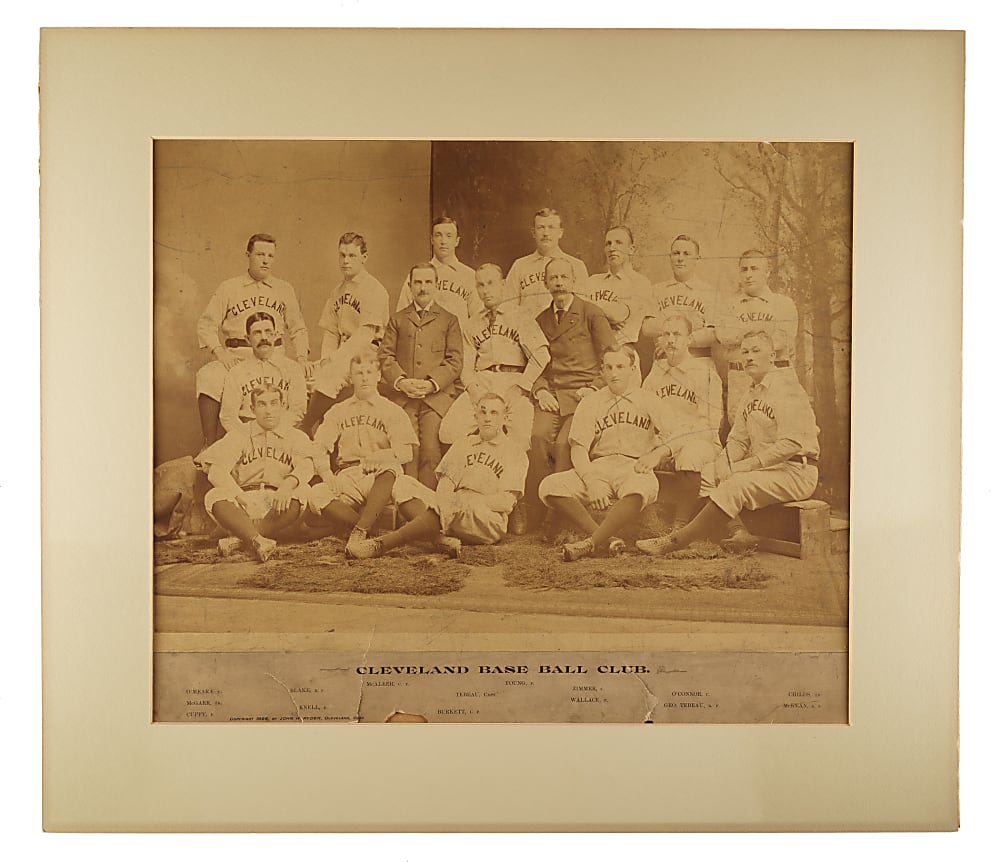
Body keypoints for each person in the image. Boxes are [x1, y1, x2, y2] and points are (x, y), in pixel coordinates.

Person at [636, 330, 819, 556]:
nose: (749, 357)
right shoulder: (750, 394)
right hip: (768, 471)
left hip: (796, 471)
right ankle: (740, 532)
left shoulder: (787, 388)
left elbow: (791, 443)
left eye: (756, 351)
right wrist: (724, 462)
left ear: (772, 356)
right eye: (745, 352)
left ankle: (673, 542)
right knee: (708, 474)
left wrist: (743, 466)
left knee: (736, 484)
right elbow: (738, 440)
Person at [345, 393, 529, 559]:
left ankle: (382, 545)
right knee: (404, 484)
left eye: (494, 413)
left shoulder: (515, 452)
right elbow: (445, 486)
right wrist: (450, 501)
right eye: (483, 412)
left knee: (452, 503)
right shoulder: (464, 444)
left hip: (487, 520)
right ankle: (440, 540)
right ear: (476, 417)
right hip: (451, 509)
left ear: (505, 418)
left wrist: (463, 501)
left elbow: (505, 503)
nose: (488, 418)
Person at [539, 345, 674, 562]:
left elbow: (676, 435)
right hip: (599, 466)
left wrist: (656, 455)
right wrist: (591, 481)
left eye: (620, 366)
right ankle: (607, 538)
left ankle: (590, 543)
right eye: (609, 367)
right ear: (601, 370)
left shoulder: (648, 399)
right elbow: (579, 448)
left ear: (632, 369)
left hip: (633, 466)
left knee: (641, 489)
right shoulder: (591, 401)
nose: (614, 373)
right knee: (550, 485)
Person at [307, 347, 435, 559]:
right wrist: (327, 474)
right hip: (348, 475)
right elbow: (319, 446)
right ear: (351, 378)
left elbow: (406, 452)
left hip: (379, 478)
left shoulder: (391, 410)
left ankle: (359, 532)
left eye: (369, 372)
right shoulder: (339, 410)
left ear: (378, 376)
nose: (364, 378)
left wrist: (382, 456)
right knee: (316, 493)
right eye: (359, 373)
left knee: (393, 471)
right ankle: (374, 532)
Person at [195, 233, 309, 447]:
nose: (265, 261)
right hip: (237, 357)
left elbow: (298, 328)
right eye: (260, 255)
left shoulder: (284, 289)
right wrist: (221, 353)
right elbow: (206, 324)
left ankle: (290, 445)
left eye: (270, 256)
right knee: (208, 376)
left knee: (306, 381)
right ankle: (209, 444)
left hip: (274, 357)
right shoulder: (229, 288)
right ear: (248, 255)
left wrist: (302, 358)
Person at [524, 258, 616, 522]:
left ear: (574, 281)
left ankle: (559, 515)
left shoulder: (591, 313)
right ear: (545, 283)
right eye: (553, 278)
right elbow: (535, 364)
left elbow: (611, 357)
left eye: (564, 277)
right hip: (552, 394)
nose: (559, 283)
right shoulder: (540, 320)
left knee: (565, 445)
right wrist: (540, 390)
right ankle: (537, 509)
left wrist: (595, 387)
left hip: (583, 394)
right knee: (538, 438)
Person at [438, 263, 550, 452]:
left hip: (513, 381)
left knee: (520, 440)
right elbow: (466, 365)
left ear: (503, 284)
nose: (485, 290)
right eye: (480, 285)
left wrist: (523, 386)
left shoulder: (520, 315)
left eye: (490, 283)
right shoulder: (472, 323)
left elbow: (541, 355)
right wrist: (473, 388)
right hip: (482, 382)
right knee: (449, 432)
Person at [200, 382, 315, 562]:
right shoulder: (239, 434)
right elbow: (216, 471)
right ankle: (258, 539)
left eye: (273, 403)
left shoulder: (295, 436)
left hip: (278, 503)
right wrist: (243, 500)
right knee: (214, 495)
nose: (268, 410)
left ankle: (243, 539)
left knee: (303, 491)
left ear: (283, 406)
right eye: (262, 404)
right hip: (243, 504)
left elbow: (307, 466)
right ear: (252, 409)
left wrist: (287, 485)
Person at [378, 262, 464, 489]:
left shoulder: (449, 320)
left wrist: (431, 384)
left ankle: (427, 502)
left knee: (430, 450)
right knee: (408, 449)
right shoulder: (398, 319)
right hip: (404, 398)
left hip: (435, 399)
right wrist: (401, 382)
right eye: (418, 282)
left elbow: (455, 361)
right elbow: (385, 356)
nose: (423, 288)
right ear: (410, 286)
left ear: (436, 285)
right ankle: (406, 498)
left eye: (428, 282)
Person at [641, 313, 723, 530]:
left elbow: (708, 426)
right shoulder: (655, 376)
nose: (670, 340)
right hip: (664, 444)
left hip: (701, 442)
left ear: (689, 339)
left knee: (690, 455)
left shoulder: (704, 373)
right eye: (666, 334)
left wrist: (668, 448)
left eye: (677, 334)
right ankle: (645, 521)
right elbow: (644, 417)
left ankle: (679, 527)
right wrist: (655, 444)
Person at [301, 232, 390, 433]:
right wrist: (326, 359)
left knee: (328, 377)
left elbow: (365, 336)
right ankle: (318, 434)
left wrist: (333, 361)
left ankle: (305, 427)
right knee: (309, 376)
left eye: (352, 256)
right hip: (343, 352)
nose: (346, 261)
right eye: (342, 255)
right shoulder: (337, 291)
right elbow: (331, 332)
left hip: (368, 353)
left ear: (364, 257)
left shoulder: (374, 289)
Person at [715, 249, 799, 422]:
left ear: (767, 272)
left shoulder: (783, 304)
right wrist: (763, 331)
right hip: (740, 378)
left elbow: (781, 341)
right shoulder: (728, 306)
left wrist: (742, 335)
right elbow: (724, 336)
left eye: (754, 269)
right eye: (744, 269)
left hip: (776, 376)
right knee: (741, 428)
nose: (748, 275)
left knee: (780, 426)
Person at [640, 234, 719, 379]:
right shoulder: (657, 290)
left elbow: (713, 334)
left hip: (698, 363)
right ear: (670, 257)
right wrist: (690, 326)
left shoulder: (709, 292)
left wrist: (674, 340)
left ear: (697, 259)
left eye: (686, 254)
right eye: (676, 253)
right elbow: (647, 327)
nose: (680, 258)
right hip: (664, 364)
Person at [218, 311, 308, 433]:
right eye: (257, 333)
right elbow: (228, 416)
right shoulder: (237, 372)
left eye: (268, 332)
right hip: (246, 434)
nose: (264, 338)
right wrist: (248, 436)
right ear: (248, 339)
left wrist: (275, 433)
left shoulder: (292, 369)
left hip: (284, 433)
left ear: (275, 335)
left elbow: (297, 411)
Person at [395, 216, 483, 326]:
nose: (443, 241)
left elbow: (480, 319)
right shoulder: (418, 274)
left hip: (459, 336)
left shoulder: (469, 275)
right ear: (432, 240)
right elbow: (402, 316)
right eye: (438, 235)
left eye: (449, 236)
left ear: (457, 241)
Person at [505, 207, 589, 318]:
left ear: (560, 233)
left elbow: (582, 309)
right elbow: (508, 306)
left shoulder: (576, 266)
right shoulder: (520, 266)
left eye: (551, 227)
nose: (546, 233)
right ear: (533, 233)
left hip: (563, 327)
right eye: (541, 227)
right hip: (526, 327)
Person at [581, 225, 652, 351]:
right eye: (608, 244)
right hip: (591, 351)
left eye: (618, 243)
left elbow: (618, 315)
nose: (612, 248)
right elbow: (578, 313)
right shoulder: (593, 280)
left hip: (621, 352)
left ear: (631, 249)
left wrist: (589, 308)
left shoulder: (640, 282)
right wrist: (606, 318)